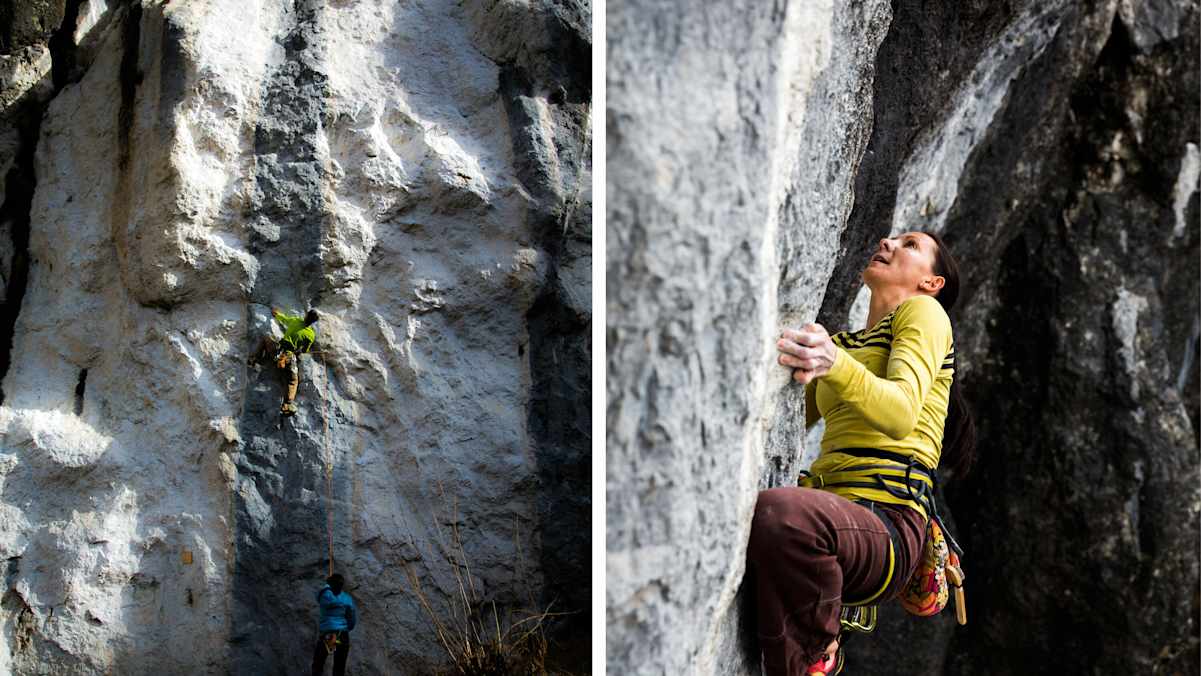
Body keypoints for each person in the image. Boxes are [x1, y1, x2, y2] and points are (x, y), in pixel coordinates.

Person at [749, 230, 976, 675]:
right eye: (894, 237)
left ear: (932, 282)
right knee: (769, 518)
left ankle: (819, 655)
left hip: (890, 523)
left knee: (782, 516)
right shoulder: (848, 345)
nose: (890, 242)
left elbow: (901, 412)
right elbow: (786, 417)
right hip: (842, 519)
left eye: (911, 245)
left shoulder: (925, 312)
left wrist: (833, 363)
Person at [248, 308, 319, 415]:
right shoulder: (310, 335)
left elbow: (284, 319)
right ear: (313, 322)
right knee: (293, 380)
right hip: (289, 358)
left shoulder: (296, 320)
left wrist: (276, 314)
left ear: (306, 316)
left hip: (277, 349)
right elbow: (304, 350)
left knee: (266, 338)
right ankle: (287, 404)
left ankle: (254, 359)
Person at [312, 573, 356, 676]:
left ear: (329, 584)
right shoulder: (347, 598)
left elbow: (318, 595)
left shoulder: (324, 595)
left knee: (318, 664)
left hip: (327, 633)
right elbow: (352, 618)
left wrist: (327, 586)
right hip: (342, 634)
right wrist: (347, 628)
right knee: (339, 668)